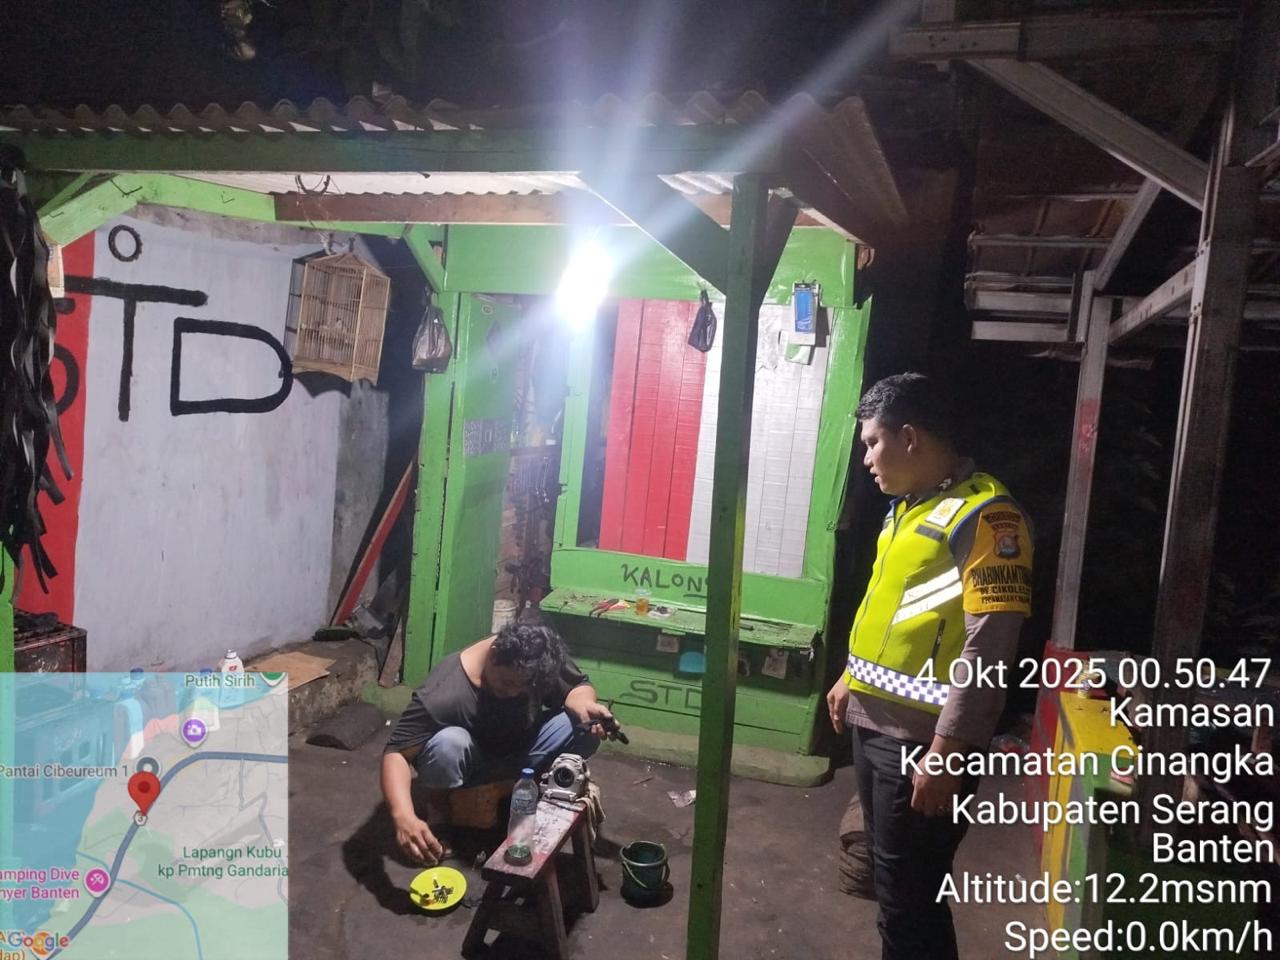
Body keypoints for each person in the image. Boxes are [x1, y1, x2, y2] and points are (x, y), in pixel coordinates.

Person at [826, 372, 1033, 960]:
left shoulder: (987, 518)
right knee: (893, 889)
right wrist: (850, 678)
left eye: (873, 442)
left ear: (910, 438)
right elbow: (893, 615)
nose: (866, 458)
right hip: (876, 727)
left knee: (911, 899)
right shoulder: (910, 510)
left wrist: (948, 751)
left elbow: (989, 648)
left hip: (922, 744)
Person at [381, 622, 615, 866]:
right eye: (507, 682)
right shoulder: (444, 692)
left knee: (585, 727)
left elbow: (578, 686)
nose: (514, 692)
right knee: (448, 745)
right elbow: (396, 753)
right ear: (492, 655)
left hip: (523, 751)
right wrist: (403, 817)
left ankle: (529, 788)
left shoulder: (537, 655)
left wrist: (583, 704)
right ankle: (442, 812)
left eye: (524, 686)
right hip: (474, 766)